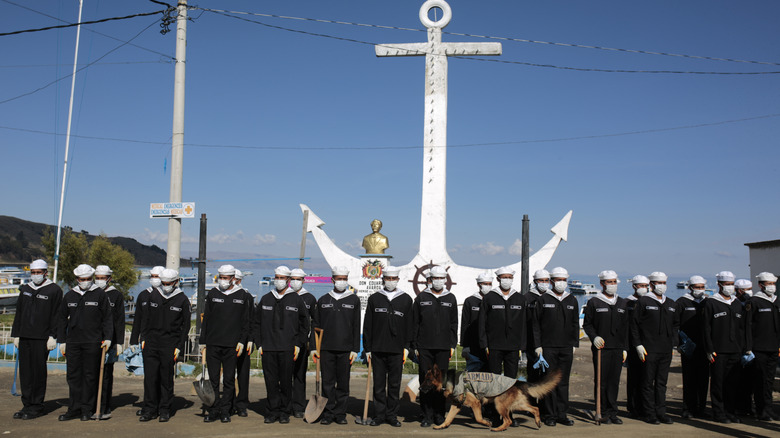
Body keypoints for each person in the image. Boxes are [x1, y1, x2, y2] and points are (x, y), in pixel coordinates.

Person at [57, 264, 112, 422]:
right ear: (77, 279)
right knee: (73, 376)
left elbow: (107, 318)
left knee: (90, 376)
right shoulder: (70, 296)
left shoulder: (99, 295)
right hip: (73, 342)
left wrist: (108, 337)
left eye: (88, 279)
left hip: (93, 341)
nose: (85, 282)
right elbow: (61, 319)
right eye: (82, 279)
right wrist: (61, 340)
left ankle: (87, 409)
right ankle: (74, 408)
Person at [254, 266, 309, 424]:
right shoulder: (266, 298)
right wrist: (259, 344)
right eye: (277, 277)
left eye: (282, 278)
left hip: (288, 348)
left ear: (288, 280)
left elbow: (305, 324)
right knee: (270, 381)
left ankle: (285, 411)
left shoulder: (296, 299)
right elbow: (256, 323)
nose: (279, 280)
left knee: (285, 381)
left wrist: (299, 344)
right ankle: (272, 411)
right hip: (268, 347)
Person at [199, 265, 253, 423]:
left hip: (232, 345)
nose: (222, 280)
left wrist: (242, 341)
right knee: (214, 379)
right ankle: (214, 409)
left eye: (225, 277)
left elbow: (246, 322)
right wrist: (203, 342)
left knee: (229, 380)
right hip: (213, 344)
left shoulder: (242, 296)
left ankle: (225, 410)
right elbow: (206, 319)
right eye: (220, 277)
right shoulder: (213, 294)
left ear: (232, 278)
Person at [11, 259, 62, 420]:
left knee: (38, 372)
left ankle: (37, 405)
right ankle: (26, 404)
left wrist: (53, 336)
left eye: (39, 273)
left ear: (45, 273)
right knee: (25, 372)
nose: (36, 276)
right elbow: (19, 312)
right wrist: (16, 334)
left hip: (42, 338)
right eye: (33, 273)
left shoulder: (54, 290)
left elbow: (57, 315)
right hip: (25, 335)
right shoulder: (26, 288)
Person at [138, 268, 191, 422]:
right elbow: (145, 319)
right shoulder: (153, 295)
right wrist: (143, 338)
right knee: (150, 378)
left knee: (166, 378)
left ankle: (164, 409)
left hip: (170, 343)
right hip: (151, 343)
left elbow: (186, 325)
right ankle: (149, 409)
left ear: (176, 282)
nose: (166, 286)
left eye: (169, 283)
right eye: (163, 283)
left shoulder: (182, 299)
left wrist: (179, 346)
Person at [363, 266, 413, 427]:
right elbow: (368, 325)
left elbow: (409, 326)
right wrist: (368, 348)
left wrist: (407, 347)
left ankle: (391, 415)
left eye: (393, 279)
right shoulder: (375, 298)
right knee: (378, 384)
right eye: (388, 279)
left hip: (397, 350)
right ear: (383, 279)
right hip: (377, 349)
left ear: (398, 280)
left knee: (394, 384)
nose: (390, 281)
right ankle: (379, 415)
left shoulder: (405, 299)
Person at [312, 266, 361, 425]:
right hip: (326, 349)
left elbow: (356, 325)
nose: (341, 282)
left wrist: (355, 348)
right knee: (327, 383)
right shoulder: (324, 299)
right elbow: (316, 326)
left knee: (343, 384)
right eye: (338, 279)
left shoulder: (353, 299)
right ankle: (328, 413)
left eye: (344, 279)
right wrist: (314, 347)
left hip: (345, 349)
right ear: (332, 280)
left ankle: (340, 414)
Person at [479, 266, 527, 427]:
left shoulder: (519, 299)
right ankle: (494, 414)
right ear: (498, 279)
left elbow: (524, 325)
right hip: (494, 346)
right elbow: (482, 324)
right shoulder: (490, 298)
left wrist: (522, 345)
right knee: (494, 381)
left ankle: (509, 415)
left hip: (513, 347)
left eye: (509, 277)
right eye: (503, 277)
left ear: (512, 279)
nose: (506, 280)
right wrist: (485, 344)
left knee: (510, 382)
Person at [411, 265, 458, 427]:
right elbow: (415, 323)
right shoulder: (421, 298)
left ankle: (439, 414)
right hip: (424, 347)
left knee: (440, 382)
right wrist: (415, 345)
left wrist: (452, 344)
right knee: (426, 380)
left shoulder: (450, 298)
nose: (438, 281)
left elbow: (454, 323)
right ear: (430, 279)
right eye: (435, 278)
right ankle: (426, 415)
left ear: (445, 280)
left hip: (444, 347)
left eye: (441, 278)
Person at [533, 266, 579, 427]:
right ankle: (550, 414)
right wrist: (538, 346)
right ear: (552, 281)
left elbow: (575, 324)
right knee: (549, 381)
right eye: (558, 280)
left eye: (564, 280)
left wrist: (575, 343)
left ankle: (562, 414)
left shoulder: (571, 300)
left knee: (563, 381)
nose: (561, 283)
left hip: (566, 348)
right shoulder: (543, 300)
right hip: (548, 348)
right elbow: (536, 325)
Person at [630, 271, 678, 425]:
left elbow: (675, 325)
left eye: (664, 283)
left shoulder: (671, 303)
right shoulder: (644, 301)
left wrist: (673, 342)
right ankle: (649, 413)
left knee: (661, 383)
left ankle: (661, 412)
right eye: (658, 283)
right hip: (648, 349)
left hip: (665, 350)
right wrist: (638, 344)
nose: (662, 286)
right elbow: (634, 325)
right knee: (647, 382)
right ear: (651, 285)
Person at [583, 270, 629, 425]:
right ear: (602, 284)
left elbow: (625, 327)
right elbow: (587, 324)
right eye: (609, 282)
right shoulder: (594, 302)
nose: (612, 285)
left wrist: (624, 347)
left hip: (617, 348)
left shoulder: (622, 303)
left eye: (614, 282)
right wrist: (594, 337)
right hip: (601, 348)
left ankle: (612, 412)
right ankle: (601, 411)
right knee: (601, 381)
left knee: (614, 381)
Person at [703, 271, 747, 424]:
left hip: (734, 350)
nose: (729, 287)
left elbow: (742, 328)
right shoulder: (711, 303)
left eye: (731, 284)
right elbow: (706, 327)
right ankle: (718, 412)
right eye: (727, 284)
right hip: (718, 350)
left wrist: (743, 348)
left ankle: (730, 411)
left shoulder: (736, 303)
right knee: (718, 383)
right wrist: (709, 348)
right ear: (719, 285)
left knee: (732, 383)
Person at [130, 265, 163, 416]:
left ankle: (161, 405)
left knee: (163, 377)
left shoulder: (168, 296)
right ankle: (149, 405)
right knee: (149, 376)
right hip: (147, 341)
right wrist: (133, 340)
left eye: (157, 276)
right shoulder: (143, 295)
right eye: (152, 276)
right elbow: (137, 319)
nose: (154, 279)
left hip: (163, 342)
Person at [675, 275, 709, 419]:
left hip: (704, 346)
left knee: (703, 379)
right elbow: (675, 324)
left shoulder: (707, 302)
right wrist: (680, 343)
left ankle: (701, 408)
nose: (700, 290)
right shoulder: (682, 302)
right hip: (688, 346)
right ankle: (688, 408)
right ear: (690, 288)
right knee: (689, 379)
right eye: (697, 287)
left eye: (702, 287)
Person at [747, 272, 780, 421]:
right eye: (768, 284)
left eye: (773, 283)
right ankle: (761, 410)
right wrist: (748, 347)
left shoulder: (776, 301)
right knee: (759, 380)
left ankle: (768, 409)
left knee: (769, 380)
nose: (771, 286)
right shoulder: (754, 301)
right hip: (759, 348)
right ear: (761, 285)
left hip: (774, 347)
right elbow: (747, 326)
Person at [94, 265, 125, 419]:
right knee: (90, 375)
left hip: (109, 341)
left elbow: (119, 320)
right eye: (97, 278)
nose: (100, 281)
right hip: (92, 340)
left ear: (109, 278)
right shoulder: (91, 293)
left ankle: (105, 405)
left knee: (106, 375)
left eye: (102, 278)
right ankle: (91, 404)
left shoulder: (116, 295)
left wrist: (119, 341)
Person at [289, 268, 316, 418]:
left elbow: (314, 322)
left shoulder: (310, 298)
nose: (295, 282)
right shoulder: (284, 296)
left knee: (299, 376)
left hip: (302, 344)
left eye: (298, 279)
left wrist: (311, 344)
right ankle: (284, 404)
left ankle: (298, 406)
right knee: (284, 376)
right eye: (293, 279)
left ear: (303, 280)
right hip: (284, 343)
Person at [625, 274, 649, 419]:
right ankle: (633, 406)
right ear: (634, 286)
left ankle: (644, 406)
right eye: (641, 286)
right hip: (632, 345)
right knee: (633, 377)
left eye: (646, 286)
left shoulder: (648, 301)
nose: (644, 289)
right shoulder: (627, 302)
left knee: (646, 378)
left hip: (647, 344)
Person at [231, 269, 254, 418]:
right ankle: (230, 402)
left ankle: (241, 404)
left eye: (236, 280)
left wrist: (251, 339)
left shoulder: (247, 297)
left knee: (243, 374)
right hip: (228, 341)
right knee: (228, 375)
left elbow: (252, 320)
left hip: (244, 342)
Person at [461, 272, 492, 372]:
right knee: (472, 373)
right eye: (485, 284)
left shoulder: (494, 300)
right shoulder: (470, 301)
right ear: (479, 284)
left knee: (489, 374)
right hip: (473, 345)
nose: (487, 286)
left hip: (490, 344)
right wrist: (465, 345)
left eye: (489, 284)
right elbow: (465, 324)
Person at [734, 278, 756, 417]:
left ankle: (748, 406)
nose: (747, 292)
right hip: (736, 345)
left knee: (750, 381)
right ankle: (736, 406)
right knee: (735, 379)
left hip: (750, 345)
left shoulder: (753, 304)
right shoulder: (734, 304)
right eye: (745, 290)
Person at [525, 269, 550, 384]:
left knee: (547, 374)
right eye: (541, 280)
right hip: (531, 341)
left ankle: (545, 401)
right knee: (533, 372)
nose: (544, 283)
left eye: (546, 280)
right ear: (535, 281)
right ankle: (532, 399)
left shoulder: (550, 297)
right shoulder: (527, 298)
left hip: (547, 341)